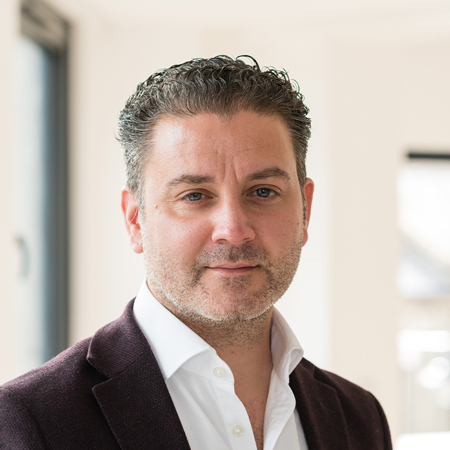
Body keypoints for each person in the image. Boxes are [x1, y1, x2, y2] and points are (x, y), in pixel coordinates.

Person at [0, 55, 392, 450]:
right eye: (194, 196)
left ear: (305, 209)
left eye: (263, 192)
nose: (233, 230)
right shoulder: (32, 421)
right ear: (135, 220)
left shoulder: (359, 418)